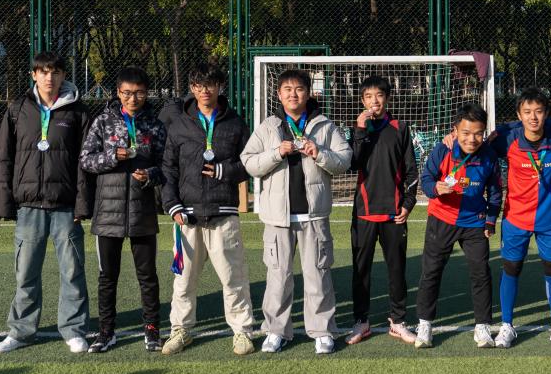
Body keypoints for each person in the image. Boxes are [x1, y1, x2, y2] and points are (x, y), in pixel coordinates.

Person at [241, 69, 352, 355]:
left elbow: (345, 160)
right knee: (278, 277)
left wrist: (319, 153)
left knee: (318, 275)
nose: (293, 94)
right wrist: (276, 153)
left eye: (299, 89)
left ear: (308, 93)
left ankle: (322, 330)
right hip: (277, 217)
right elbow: (249, 162)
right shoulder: (268, 126)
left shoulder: (324, 125)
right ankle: (276, 330)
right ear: (278, 94)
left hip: (313, 215)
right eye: (287, 89)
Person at [0, 52, 93, 355]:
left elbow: (85, 163)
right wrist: (4, 204)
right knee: (25, 273)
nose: (50, 77)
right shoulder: (17, 109)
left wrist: (82, 204)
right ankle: (21, 332)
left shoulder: (78, 112)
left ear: (63, 76)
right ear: (34, 75)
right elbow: (4, 157)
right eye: (44, 72)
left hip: (65, 206)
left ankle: (74, 330)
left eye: (56, 72)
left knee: (72, 271)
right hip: (29, 206)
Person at [160, 63, 255, 357]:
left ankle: (242, 331)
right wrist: (172, 205)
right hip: (186, 216)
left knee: (233, 278)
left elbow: (249, 164)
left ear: (219, 87)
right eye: (199, 85)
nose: (205, 91)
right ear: (192, 88)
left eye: (210, 85)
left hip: (223, 212)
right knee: (184, 280)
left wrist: (224, 171)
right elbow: (168, 169)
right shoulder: (179, 125)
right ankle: (181, 330)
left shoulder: (235, 123)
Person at [79, 66, 167, 353]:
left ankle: (152, 329)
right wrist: (111, 157)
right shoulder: (103, 121)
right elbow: (86, 160)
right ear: (118, 92)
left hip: (142, 211)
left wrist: (150, 174)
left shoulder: (155, 125)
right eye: (127, 93)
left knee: (147, 275)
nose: (133, 99)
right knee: (107, 277)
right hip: (108, 211)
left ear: (147, 93)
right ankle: (106, 332)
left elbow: (166, 165)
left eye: (139, 93)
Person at [484, 90, 551, 350]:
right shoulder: (507, 140)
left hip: (550, 220)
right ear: (519, 115)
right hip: (516, 218)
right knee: (511, 268)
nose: (533, 117)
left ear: (547, 114)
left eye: (538, 111)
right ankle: (507, 325)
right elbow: (476, 149)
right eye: (527, 112)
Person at [414, 104, 502, 349]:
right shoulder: (443, 149)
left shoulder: (489, 156)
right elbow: (426, 178)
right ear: (455, 131)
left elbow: (495, 192)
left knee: (481, 273)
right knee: (431, 272)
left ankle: (482, 326)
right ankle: (425, 324)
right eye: (465, 133)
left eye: (478, 133)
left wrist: (490, 220)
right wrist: (435, 188)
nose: (471, 139)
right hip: (442, 219)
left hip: (475, 223)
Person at [346, 75, 418, 346]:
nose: (374, 101)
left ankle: (398, 321)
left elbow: (412, 171)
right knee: (360, 270)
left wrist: (408, 204)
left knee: (397, 270)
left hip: (394, 214)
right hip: (364, 213)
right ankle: (361, 321)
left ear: (387, 98)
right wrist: (360, 130)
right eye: (368, 97)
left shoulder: (400, 128)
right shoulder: (357, 129)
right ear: (362, 101)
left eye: (378, 95)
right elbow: (353, 163)